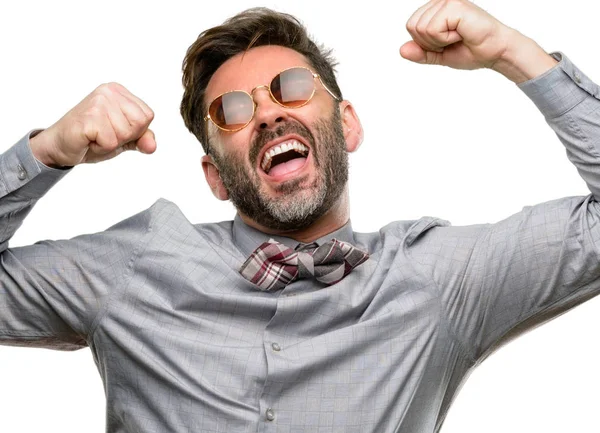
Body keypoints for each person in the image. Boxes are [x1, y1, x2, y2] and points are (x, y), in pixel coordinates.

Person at [1, 0, 599, 432]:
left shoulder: (437, 280)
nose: (266, 115)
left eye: (290, 87)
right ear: (214, 176)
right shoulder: (136, 266)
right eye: (233, 110)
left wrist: (516, 55)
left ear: (347, 125)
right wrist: (46, 153)